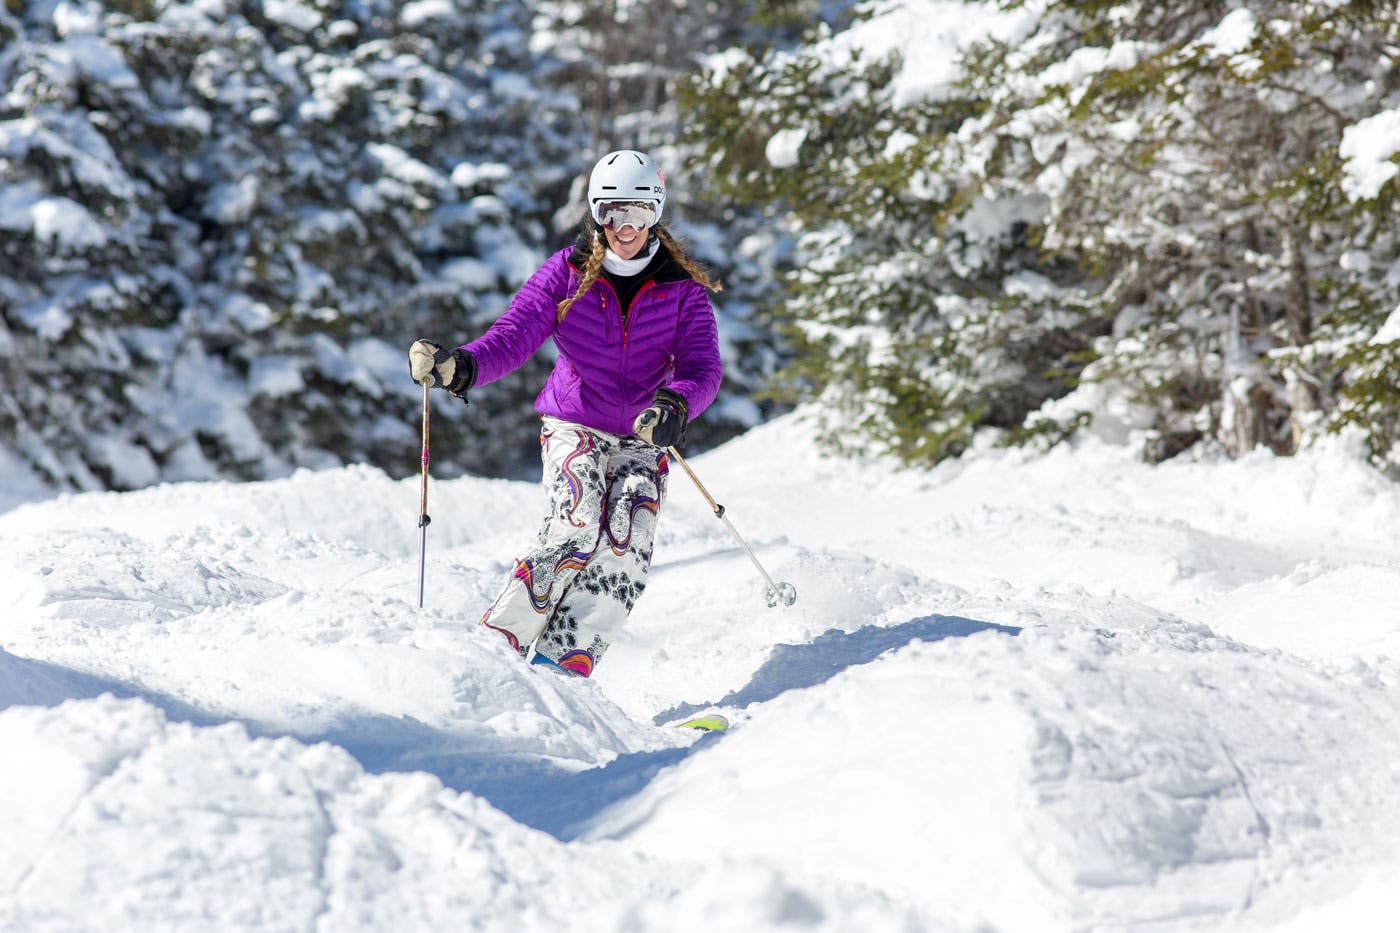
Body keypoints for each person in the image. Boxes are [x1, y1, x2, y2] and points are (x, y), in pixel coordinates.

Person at [408, 149, 723, 677]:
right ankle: (498, 647)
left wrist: (676, 403)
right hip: (575, 421)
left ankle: (561, 665)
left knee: (628, 538)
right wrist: (460, 367)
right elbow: (514, 334)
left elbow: (703, 365)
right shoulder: (567, 274)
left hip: (645, 433)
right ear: (597, 214)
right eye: (614, 213)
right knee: (577, 522)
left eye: (641, 214)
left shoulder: (681, 289)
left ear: (656, 214)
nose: (627, 227)